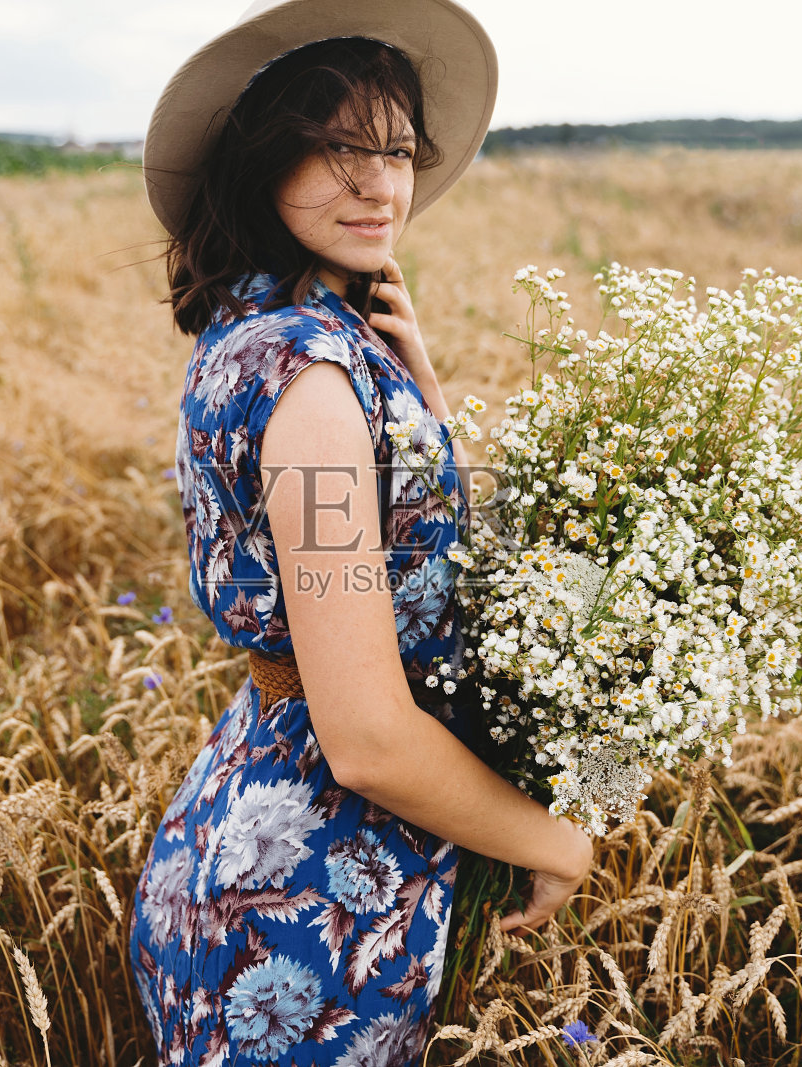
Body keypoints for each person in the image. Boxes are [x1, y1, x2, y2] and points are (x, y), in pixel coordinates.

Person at [129, 2, 593, 1063]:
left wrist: (418, 398)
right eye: (336, 147)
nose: (379, 183)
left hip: (270, 852)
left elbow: (411, 555)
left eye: (393, 149)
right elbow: (369, 736)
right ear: (259, 160)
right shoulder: (314, 385)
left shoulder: (260, 334)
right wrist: (556, 840)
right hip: (300, 914)